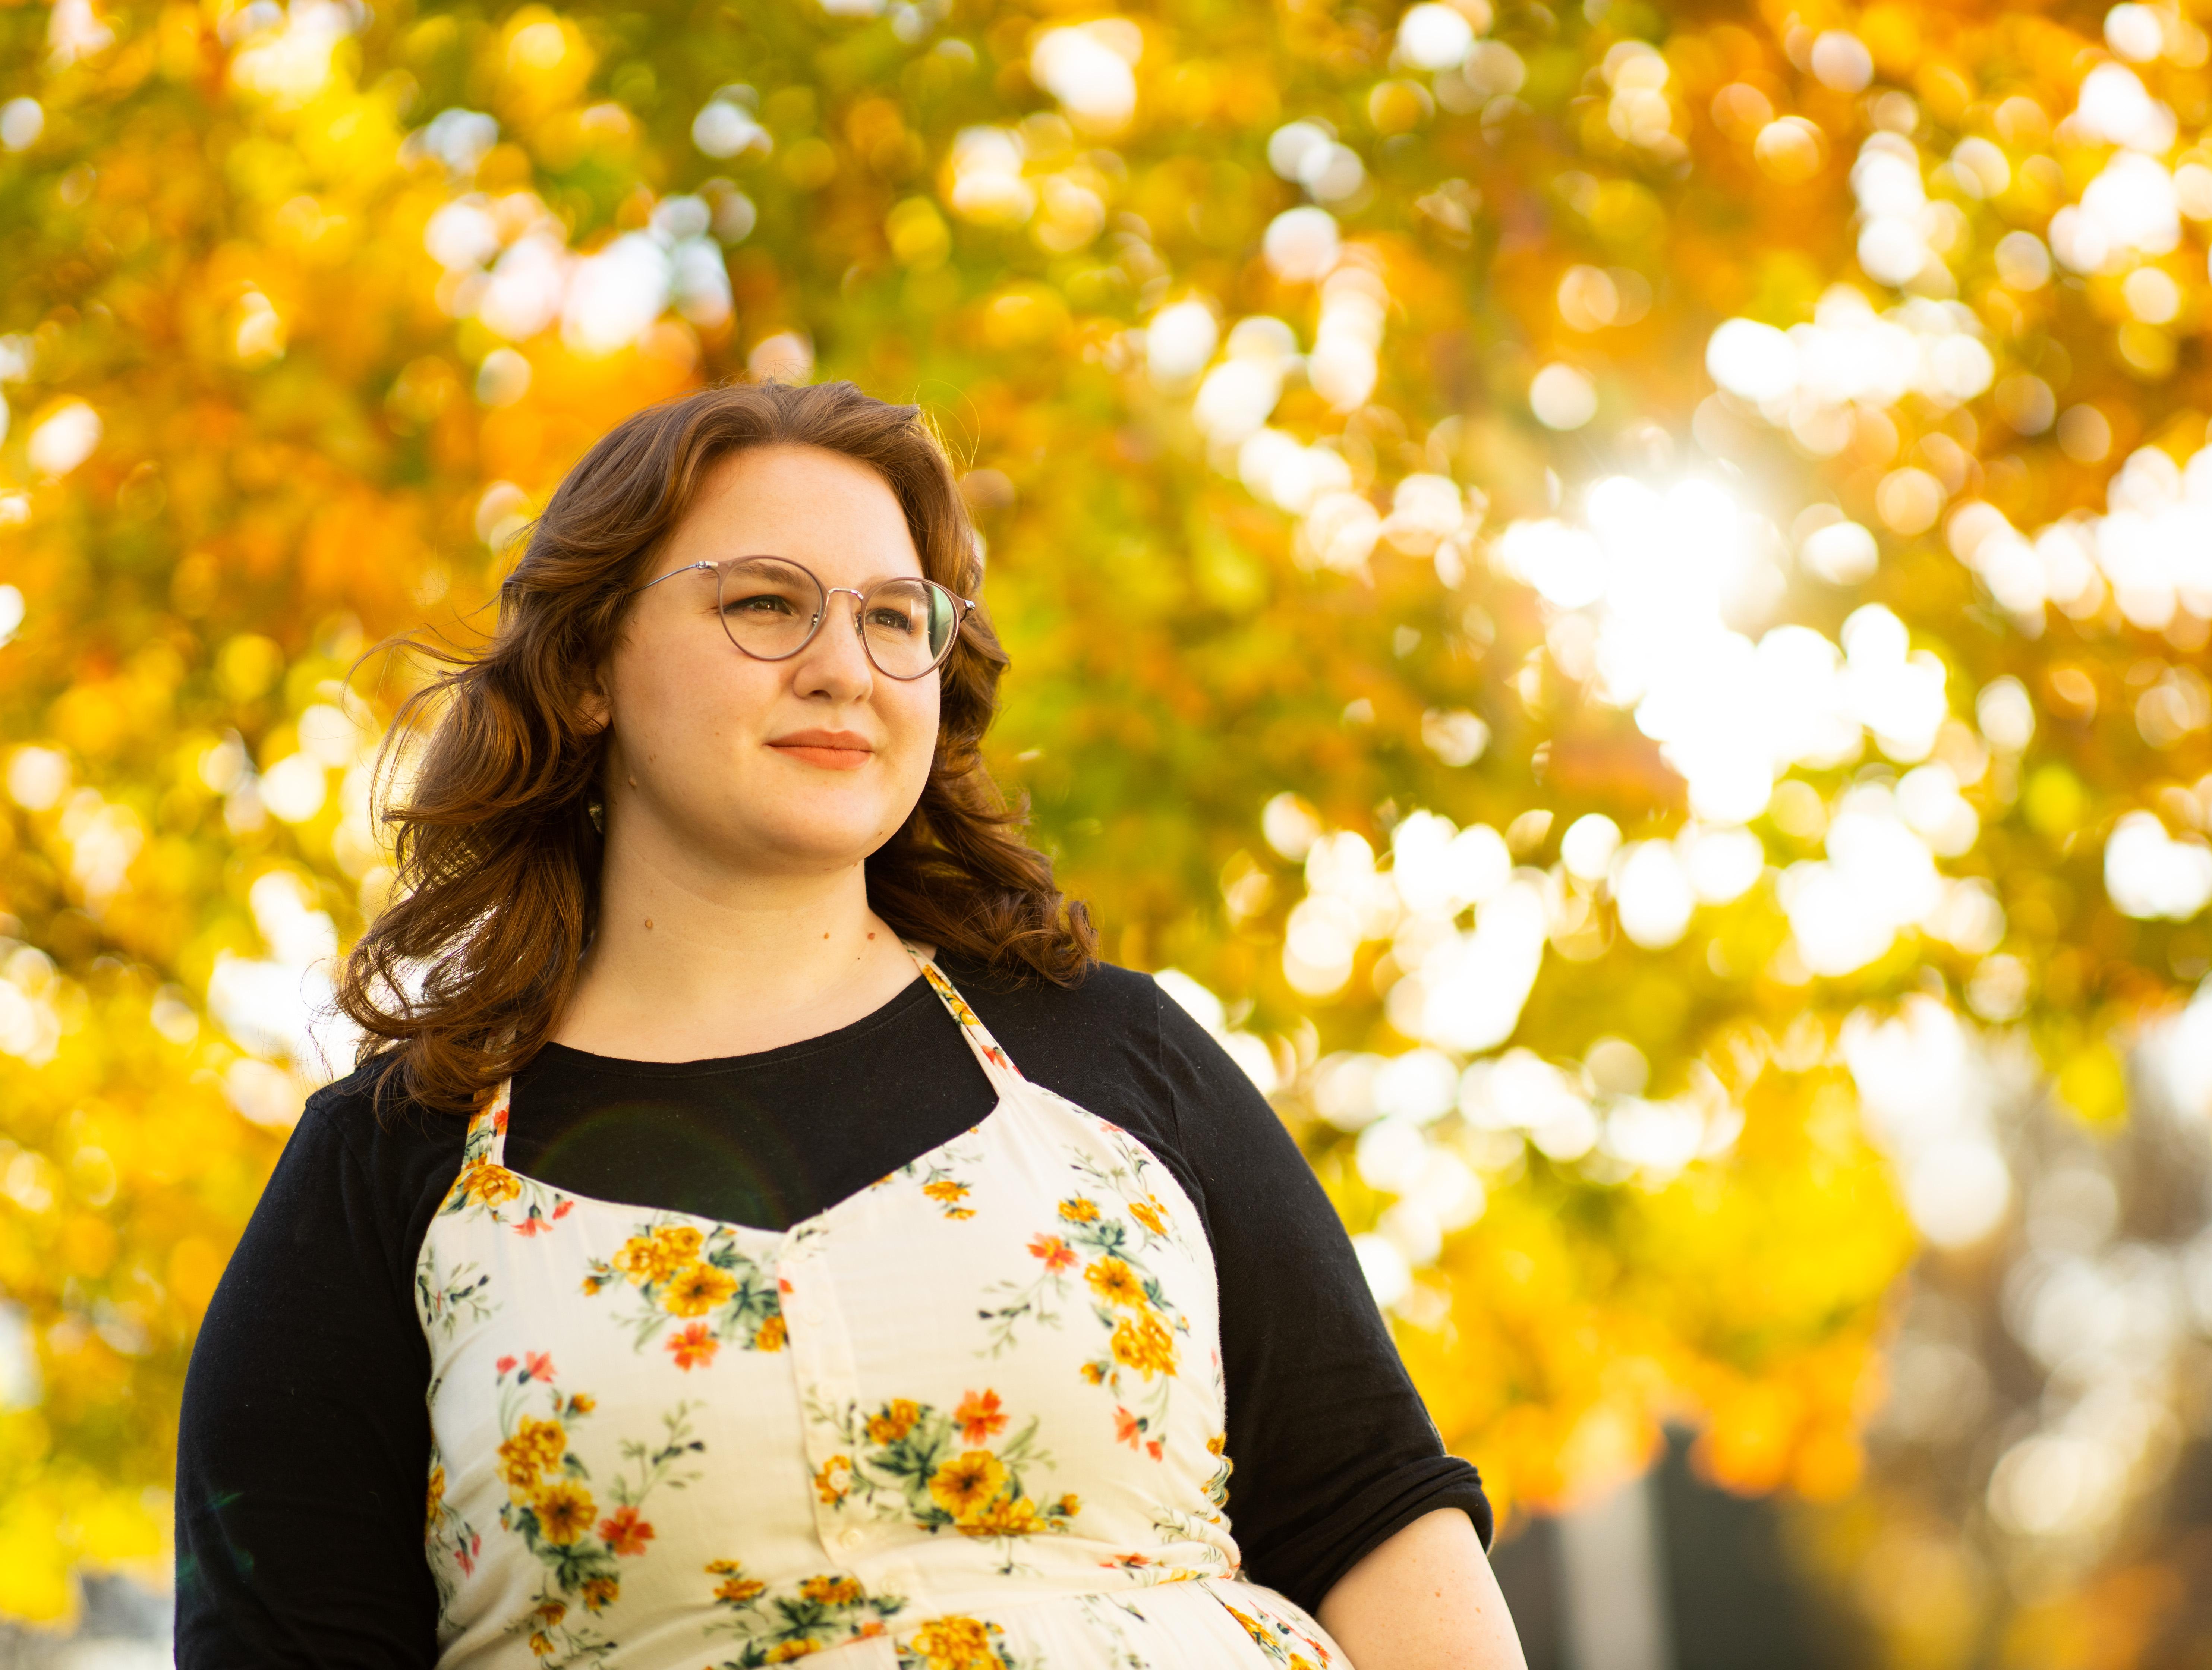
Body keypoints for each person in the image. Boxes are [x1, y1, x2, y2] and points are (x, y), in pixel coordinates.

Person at [174, 379, 1528, 1670]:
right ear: (590, 668)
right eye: (766, 604)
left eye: (894, 619)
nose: (845, 669)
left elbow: (1380, 1525)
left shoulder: (1115, 1057)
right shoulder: (387, 1171)